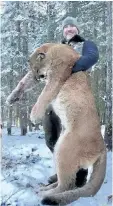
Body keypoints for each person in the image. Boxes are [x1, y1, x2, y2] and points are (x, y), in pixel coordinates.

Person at [43, 16, 99, 186]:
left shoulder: (86, 44)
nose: (69, 29)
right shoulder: (57, 48)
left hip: (76, 98)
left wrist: (66, 68)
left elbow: (91, 58)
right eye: (66, 26)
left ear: (78, 29)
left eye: (72, 26)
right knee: (51, 136)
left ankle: (79, 178)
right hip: (55, 98)